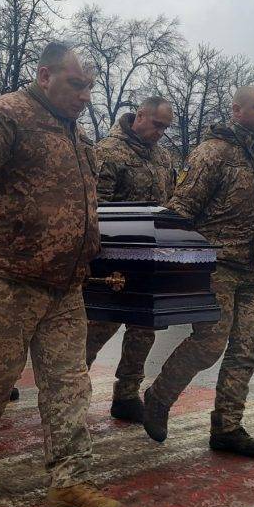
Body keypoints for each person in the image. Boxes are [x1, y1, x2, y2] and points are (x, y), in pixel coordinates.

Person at [0, 41, 122, 507]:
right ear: (44, 75)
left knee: (69, 385)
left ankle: (69, 481)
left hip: (64, 286)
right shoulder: (3, 116)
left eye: (89, 87)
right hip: (5, 280)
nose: (84, 96)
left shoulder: (76, 138)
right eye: (76, 84)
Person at [142, 85, 254, 458]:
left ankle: (227, 427)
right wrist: (170, 262)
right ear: (237, 110)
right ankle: (159, 396)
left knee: (248, 350)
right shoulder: (213, 153)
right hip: (217, 267)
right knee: (209, 345)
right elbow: (181, 210)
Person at [85, 96, 175, 422]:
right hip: (114, 259)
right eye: (157, 124)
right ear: (140, 116)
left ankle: (126, 396)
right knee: (97, 327)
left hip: (150, 260)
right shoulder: (107, 152)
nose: (161, 132)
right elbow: (94, 208)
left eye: (166, 127)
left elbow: (169, 204)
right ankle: (69, 391)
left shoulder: (164, 158)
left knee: (143, 329)